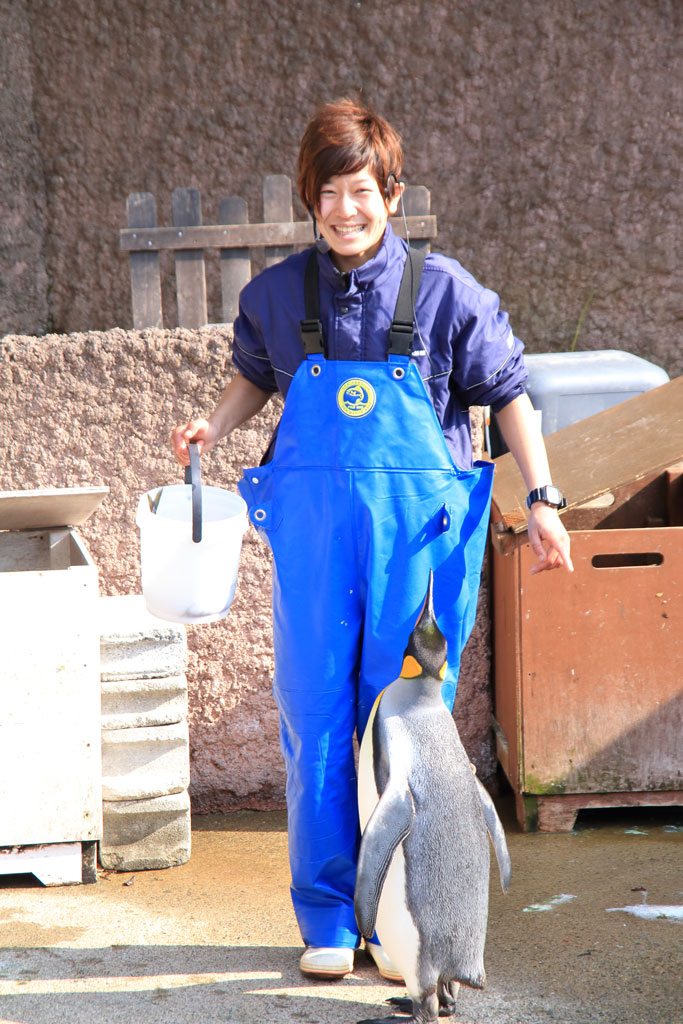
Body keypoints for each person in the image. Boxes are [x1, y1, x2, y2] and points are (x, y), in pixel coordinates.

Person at [171, 97, 573, 982]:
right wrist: (214, 425)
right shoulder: (276, 296)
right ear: (310, 201)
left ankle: (404, 927)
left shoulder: (446, 292)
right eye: (327, 195)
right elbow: (250, 379)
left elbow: (508, 392)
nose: (344, 211)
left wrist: (543, 497)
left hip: (417, 551)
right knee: (315, 721)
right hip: (318, 554)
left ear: (389, 192)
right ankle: (326, 916)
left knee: (405, 726)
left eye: (360, 191)